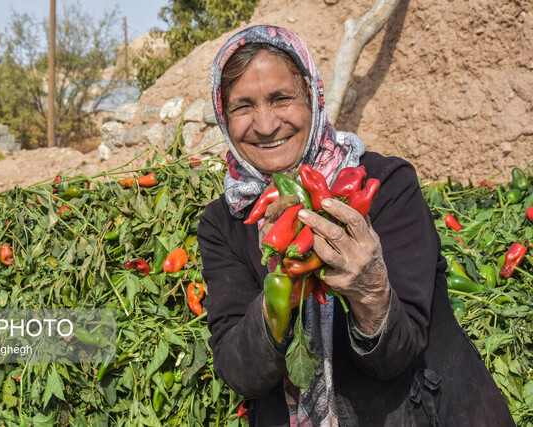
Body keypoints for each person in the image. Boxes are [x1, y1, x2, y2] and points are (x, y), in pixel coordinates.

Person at [197, 25, 514, 426]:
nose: (264, 124)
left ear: (312, 97)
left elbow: (398, 354)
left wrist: (370, 289)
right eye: (243, 106)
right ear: (224, 116)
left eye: (282, 98)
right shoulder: (223, 222)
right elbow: (240, 373)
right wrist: (280, 296)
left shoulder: (384, 186)